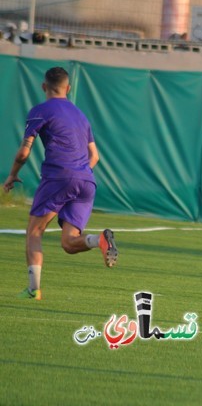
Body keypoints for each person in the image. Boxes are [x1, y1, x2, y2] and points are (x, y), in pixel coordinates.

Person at [3, 66, 118, 300]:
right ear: (68, 88)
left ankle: (33, 289)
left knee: (35, 230)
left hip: (59, 177)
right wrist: (78, 173)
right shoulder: (80, 115)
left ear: (44, 87)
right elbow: (94, 157)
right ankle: (100, 240)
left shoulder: (40, 111)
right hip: (86, 180)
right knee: (68, 243)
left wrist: (12, 175)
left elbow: (24, 153)